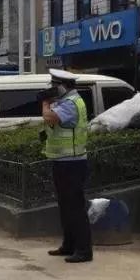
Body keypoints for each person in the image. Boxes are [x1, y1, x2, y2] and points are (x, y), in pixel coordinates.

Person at [42, 68, 92, 263]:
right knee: (65, 207)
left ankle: (83, 250)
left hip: (73, 163)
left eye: (54, 86)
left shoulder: (71, 103)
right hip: (63, 162)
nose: (52, 89)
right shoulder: (64, 102)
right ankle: (69, 245)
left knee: (75, 208)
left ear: (63, 86)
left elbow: (50, 117)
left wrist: (45, 103)